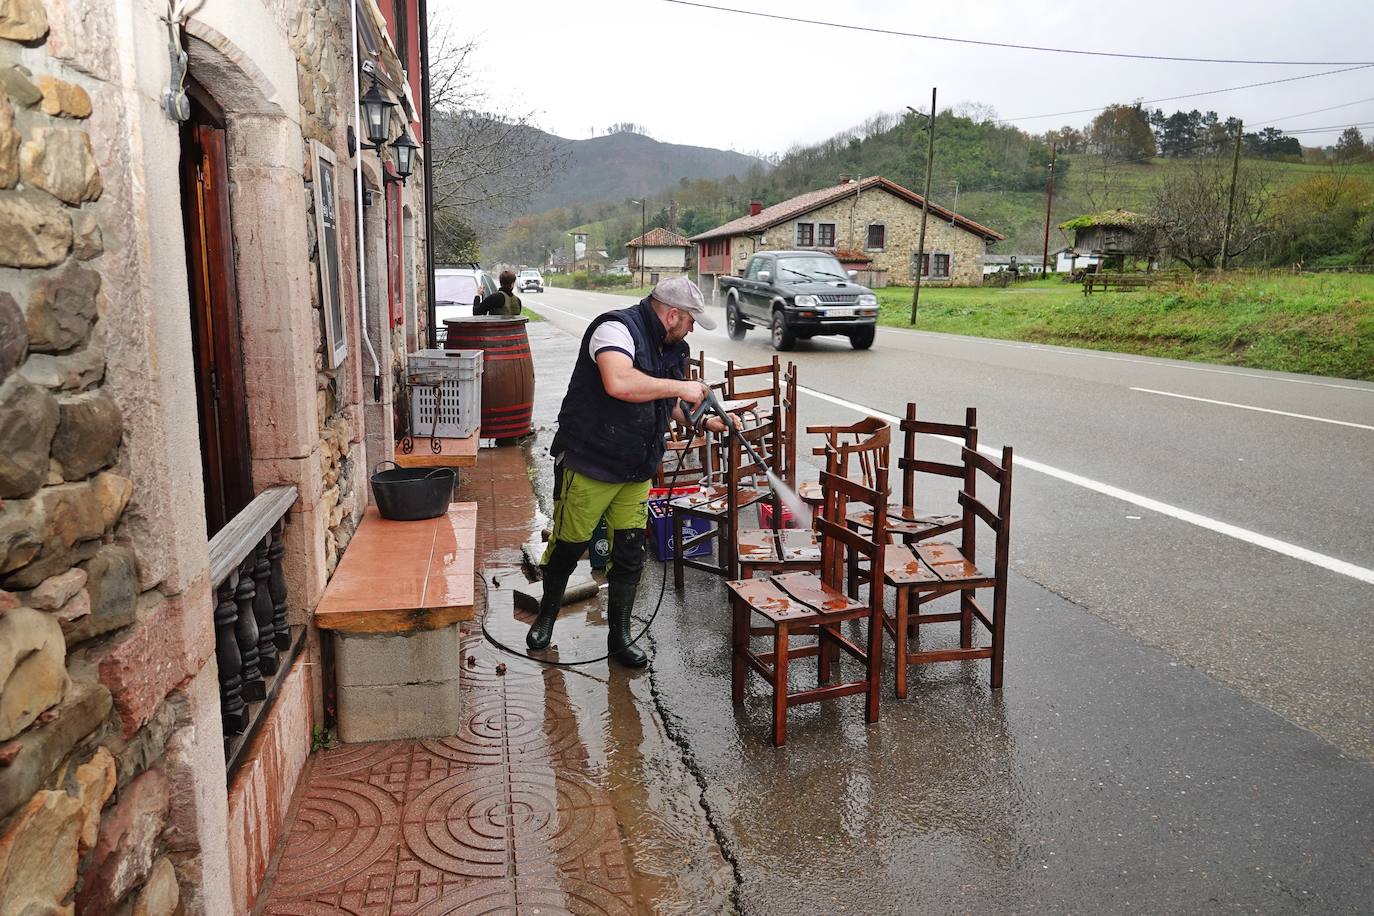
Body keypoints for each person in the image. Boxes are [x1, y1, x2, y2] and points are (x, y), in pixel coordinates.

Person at [527, 277, 727, 667]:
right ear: (672, 315)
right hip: (591, 459)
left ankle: (618, 637)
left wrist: (702, 421)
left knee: (630, 551)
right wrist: (680, 388)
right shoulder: (615, 328)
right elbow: (619, 381)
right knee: (570, 544)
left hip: (637, 465)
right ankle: (546, 616)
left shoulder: (674, 346)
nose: (690, 330)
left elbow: (665, 402)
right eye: (689, 322)